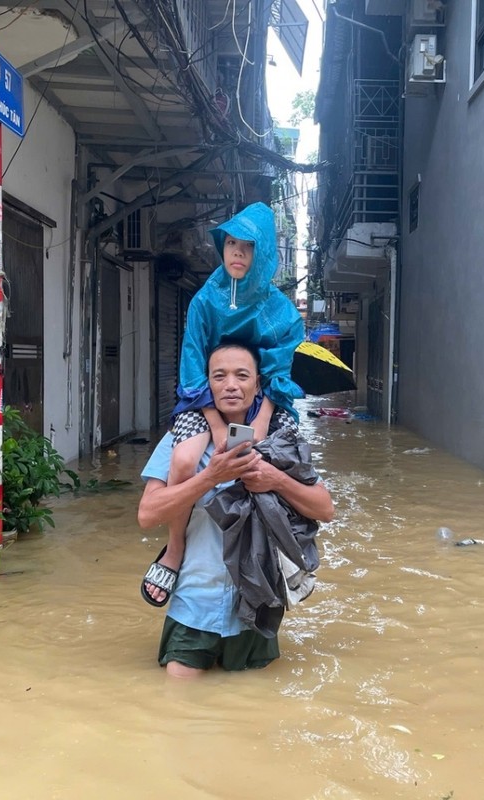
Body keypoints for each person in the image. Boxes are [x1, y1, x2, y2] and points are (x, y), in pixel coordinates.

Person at [141, 202, 304, 606]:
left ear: (262, 254)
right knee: (183, 461)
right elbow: (193, 365)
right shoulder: (204, 301)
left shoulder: (281, 311)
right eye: (230, 244)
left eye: (246, 247)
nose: (235, 253)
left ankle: (287, 557)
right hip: (206, 400)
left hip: (265, 399)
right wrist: (214, 423)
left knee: (282, 467)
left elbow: (281, 369)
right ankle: (175, 548)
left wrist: (264, 415)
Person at [138, 343, 334, 676]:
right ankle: (174, 553)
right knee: (176, 700)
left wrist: (275, 479)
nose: (231, 385)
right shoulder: (182, 441)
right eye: (220, 376)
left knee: (254, 710)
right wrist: (211, 477)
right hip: (194, 602)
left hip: (258, 605)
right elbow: (147, 514)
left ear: (257, 384)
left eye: (242, 376)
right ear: (207, 386)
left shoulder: (280, 440)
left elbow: (325, 509)